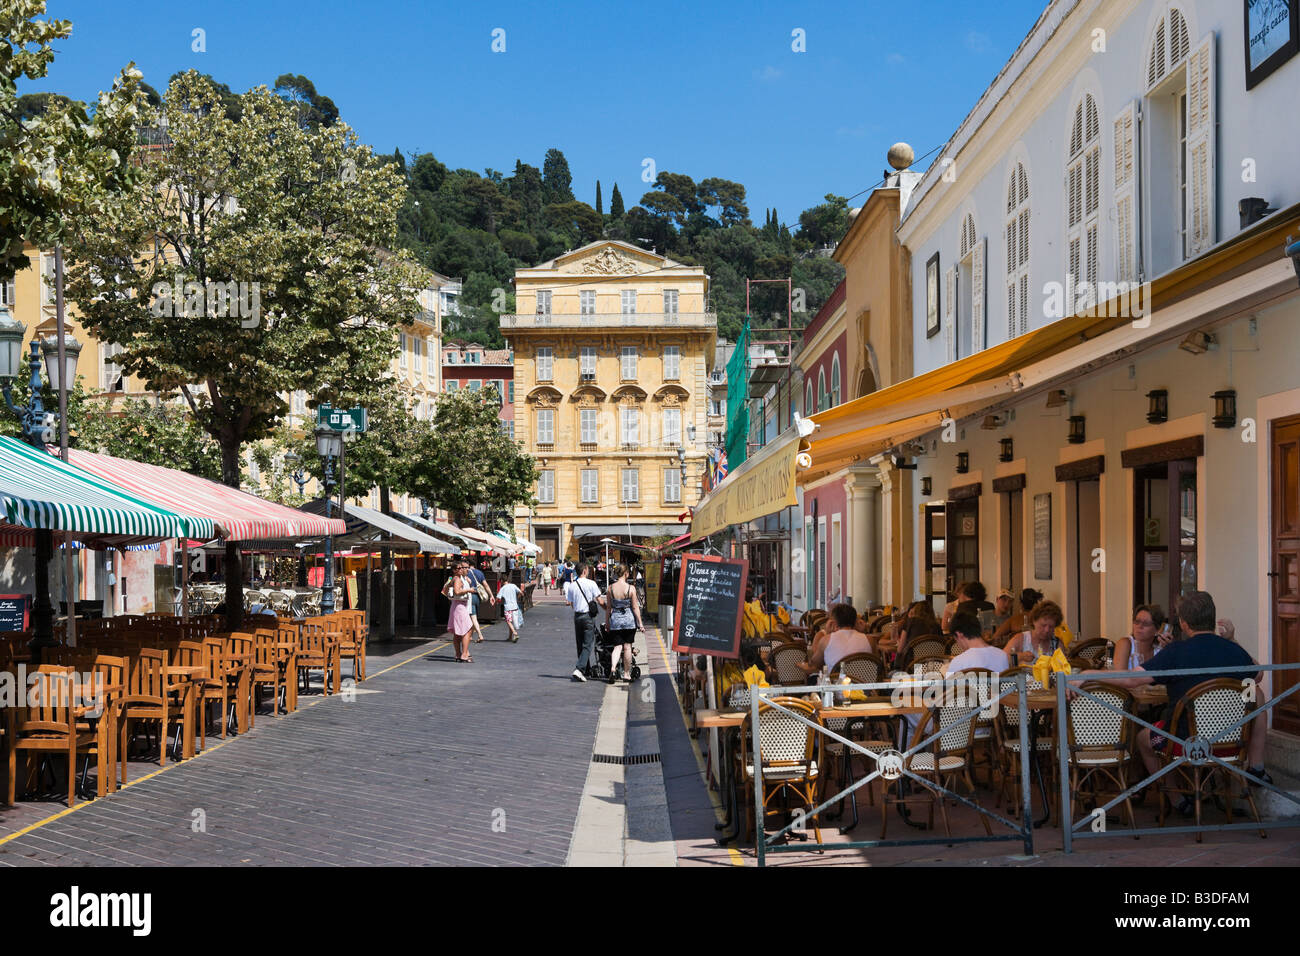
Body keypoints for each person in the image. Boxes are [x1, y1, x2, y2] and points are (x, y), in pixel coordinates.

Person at [1076, 591, 1271, 792]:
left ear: (1183, 623)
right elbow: (1257, 675)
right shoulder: (1232, 650)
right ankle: (1256, 767)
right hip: (1231, 741)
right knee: (1256, 694)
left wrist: (1088, 673)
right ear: (1212, 618)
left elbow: (1130, 680)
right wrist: (1232, 640)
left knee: (1142, 739)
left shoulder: (1176, 651)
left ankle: (1175, 798)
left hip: (1183, 741)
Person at [798, 603, 873, 675]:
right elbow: (875, 664)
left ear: (834, 622)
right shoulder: (869, 640)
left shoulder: (826, 640)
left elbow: (814, 665)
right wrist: (863, 633)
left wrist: (828, 634)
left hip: (837, 686)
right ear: (855, 621)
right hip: (864, 686)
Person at [603, 564, 643, 683]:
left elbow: (608, 608)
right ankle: (626, 674)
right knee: (627, 647)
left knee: (617, 647)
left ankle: (613, 668)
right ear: (626, 574)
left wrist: (607, 623)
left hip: (615, 620)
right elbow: (635, 608)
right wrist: (640, 623)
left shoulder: (610, 588)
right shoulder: (631, 588)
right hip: (629, 621)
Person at [564, 563, 603, 682]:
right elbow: (600, 600)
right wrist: (608, 609)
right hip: (587, 617)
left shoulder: (572, 585)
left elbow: (570, 603)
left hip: (577, 616)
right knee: (587, 644)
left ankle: (585, 670)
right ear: (585, 571)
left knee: (580, 644)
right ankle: (579, 669)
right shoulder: (591, 583)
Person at [944, 612, 1011, 676]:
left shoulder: (958, 662)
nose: (958, 644)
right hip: (995, 688)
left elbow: (949, 687)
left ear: (959, 634)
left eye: (956, 640)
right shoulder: (1002, 656)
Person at [1110, 604, 1172, 671]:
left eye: (1146, 623)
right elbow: (1119, 677)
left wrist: (1168, 650)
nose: (1140, 626)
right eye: (1137, 622)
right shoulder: (1125, 643)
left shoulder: (1159, 650)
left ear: (1157, 630)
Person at [1006, 599, 1065, 666]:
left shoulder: (1057, 644)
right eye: (1043, 625)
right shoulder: (1021, 639)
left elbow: (1063, 669)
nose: (1047, 630)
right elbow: (1000, 660)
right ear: (1034, 621)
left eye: (1051, 627)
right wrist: (1020, 656)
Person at [444, 561, 477, 663]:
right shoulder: (457, 579)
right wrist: (469, 590)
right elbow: (457, 591)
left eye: (461, 568)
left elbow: (445, 591)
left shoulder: (453, 579)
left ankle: (458, 654)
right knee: (468, 629)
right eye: (458, 568)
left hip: (456, 606)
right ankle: (464, 654)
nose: (461, 570)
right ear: (454, 570)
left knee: (457, 632)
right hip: (460, 607)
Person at [467, 562, 494, 643]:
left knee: (473, 618)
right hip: (477, 597)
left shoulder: (466, 572)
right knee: (472, 617)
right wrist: (491, 595)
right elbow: (485, 585)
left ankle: (480, 635)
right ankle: (470, 636)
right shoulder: (479, 572)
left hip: (470, 596)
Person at [498, 577, 524, 642]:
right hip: (515, 607)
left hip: (508, 607)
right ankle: (510, 637)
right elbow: (521, 593)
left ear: (502, 581)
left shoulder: (503, 588)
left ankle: (515, 633)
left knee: (508, 621)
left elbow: (498, 598)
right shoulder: (513, 585)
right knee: (511, 622)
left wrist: (496, 601)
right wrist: (517, 598)